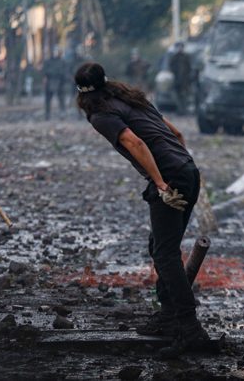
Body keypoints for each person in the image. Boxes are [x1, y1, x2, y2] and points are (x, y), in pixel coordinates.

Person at [74, 62, 208, 354]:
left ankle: (190, 329)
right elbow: (177, 135)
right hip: (185, 170)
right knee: (160, 246)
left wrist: (161, 184)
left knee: (165, 253)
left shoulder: (101, 115)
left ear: (81, 95)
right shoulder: (131, 98)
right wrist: (184, 170)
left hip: (170, 177)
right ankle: (169, 315)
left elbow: (133, 142)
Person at [43, 46, 69, 120]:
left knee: (61, 99)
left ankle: (62, 113)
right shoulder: (48, 61)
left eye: (57, 51)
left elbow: (65, 72)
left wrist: (64, 80)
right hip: (50, 81)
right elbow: (44, 72)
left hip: (59, 82)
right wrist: (45, 78)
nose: (55, 53)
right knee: (48, 99)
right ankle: (47, 114)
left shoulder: (62, 61)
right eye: (54, 51)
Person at [169, 42, 192, 113]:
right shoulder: (174, 57)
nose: (180, 49)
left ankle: (184, 110)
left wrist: (188, 76)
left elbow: (189, 67)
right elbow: (171, 66)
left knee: (184, 95)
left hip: (185, 80)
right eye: (179, 47)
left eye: (181, 47)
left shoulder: (186, 56)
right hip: (177, 80)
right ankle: (179, 110)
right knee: (177, 96)